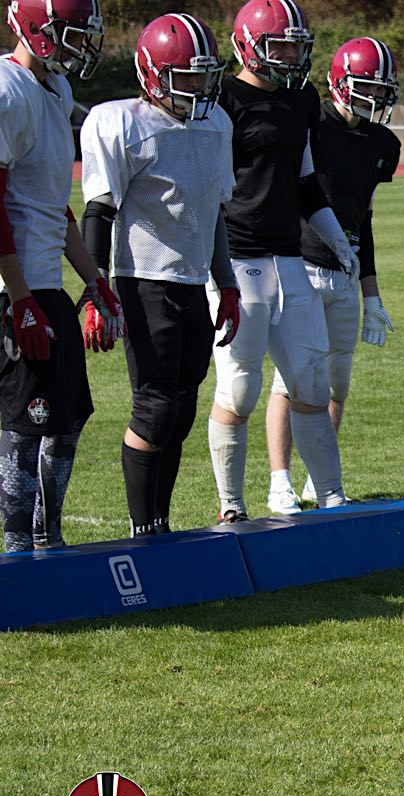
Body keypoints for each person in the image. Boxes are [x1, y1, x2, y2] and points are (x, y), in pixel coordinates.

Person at [81, 12, 238, 537]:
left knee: (184, 408)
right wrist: (96, 289)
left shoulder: (216, 124)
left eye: (203, 75)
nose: (197, 87)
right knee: (154, 406)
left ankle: (161, 523)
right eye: (185, 77)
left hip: (193, 282)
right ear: (152, 74)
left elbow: (215, 212)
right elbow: (100, 210)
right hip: (142, 278)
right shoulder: (122, 121)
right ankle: (141, 526)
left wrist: (229, 284)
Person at [207, 0, 361, 524]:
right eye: (282, 45)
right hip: (236, 255)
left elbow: (304, 180)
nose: (293, 55)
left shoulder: (300, 100)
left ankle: (332, 495)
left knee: (311, 381)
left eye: (298, 44)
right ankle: (232, 504)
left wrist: (337, 239)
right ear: (250, 45)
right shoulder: (220, 96)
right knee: (241, 385)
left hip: (287, 256)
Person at [0, 0, 121, 553]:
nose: (78, 46)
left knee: (67, 419)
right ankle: (16, 545)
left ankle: (50, 537)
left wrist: (95, 279)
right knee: (24, 424)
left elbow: (55, 205)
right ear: (34, 27)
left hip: (47, 284)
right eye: (68, 34)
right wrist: (19, 297)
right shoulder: (7, 90)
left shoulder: (56, 90)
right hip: (16, 286)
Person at [264, 36, 401, 514]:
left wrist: (373, 295)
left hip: (344, 271)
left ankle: (315, 479)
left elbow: (361, 216)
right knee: (292, 380)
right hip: (299, 264)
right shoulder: (311, 121)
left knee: (336, 382)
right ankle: (278, 480)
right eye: (367, 87)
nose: (375, 99)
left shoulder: (382, 144)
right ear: (339, 84)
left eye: (382, 89)